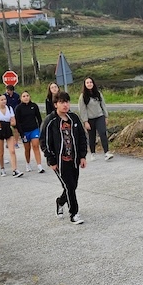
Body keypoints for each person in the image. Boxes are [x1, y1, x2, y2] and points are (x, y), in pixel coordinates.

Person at [41, 91, 87, 224]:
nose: (65, 105)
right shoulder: (51, 121)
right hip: (60, 161)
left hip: (74, 158)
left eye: (67, 102)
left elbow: (82, 138)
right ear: (56, 104)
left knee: (72, 185)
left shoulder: (74, 118)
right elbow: (44, 142)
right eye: (62, 102)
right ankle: (74, 213)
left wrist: (82, 156)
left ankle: (60, 202)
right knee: (69, 185)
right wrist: (51, 160)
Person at [78, 77, 113, 161]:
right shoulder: (83, 96)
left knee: (102, 133)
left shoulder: (98, 93)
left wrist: (105, 116)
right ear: (85, 85)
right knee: (92, 136)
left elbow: (103, 105)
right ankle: (93, 153)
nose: (89, 84)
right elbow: (82, 110)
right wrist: (85, 121)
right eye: (87, 83)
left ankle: (106, 152)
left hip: (99, 116)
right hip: (90, 119)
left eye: (91, 82)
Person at [0, 93, 21, 177]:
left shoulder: (10, 108)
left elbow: (13, 122)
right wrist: (7, 123)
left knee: (12, 150)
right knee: (1, 152)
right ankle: (2, 168)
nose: (4, 101)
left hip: (8, 131)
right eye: (2, 100)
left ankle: (14, 169)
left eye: (5, 99)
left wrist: (4, 123)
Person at [15, 91, 45, 173]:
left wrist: (41, 129)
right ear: (21, 98)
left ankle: (39, 166)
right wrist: (21, 133)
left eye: (27, 95)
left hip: (34, 129)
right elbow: (17, 122)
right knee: (27, 149)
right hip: (24, 131)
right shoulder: (18, 108)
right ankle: (27, 163)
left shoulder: (34, 106)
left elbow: (39, 118)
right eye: (24, 96)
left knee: (35, 146)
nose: (26, 97)